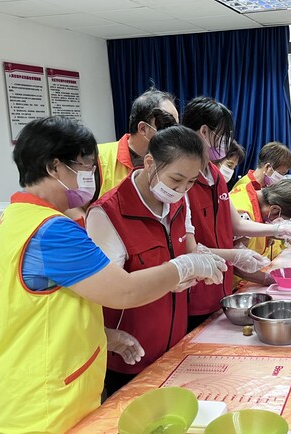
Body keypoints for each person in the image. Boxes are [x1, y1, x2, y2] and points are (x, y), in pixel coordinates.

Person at [0, 117, 226, 432]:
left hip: (13, 392)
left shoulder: (14, 220)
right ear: (54, 167)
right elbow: (124, 291)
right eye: (84, 168)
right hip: (44, 406)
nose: (92, 177)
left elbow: (30, 309)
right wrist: (185, 265)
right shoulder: (52, 232)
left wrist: (102, 337)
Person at [87, 125, 230, 395]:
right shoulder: (108, 214)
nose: (182, 189)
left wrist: (200, 266)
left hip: (175, 346)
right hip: (129, 353)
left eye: (190, 182)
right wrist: (173, 273)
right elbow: (108, 292)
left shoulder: (179, 202)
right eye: (176, 179)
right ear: (150, 162)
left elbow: (189, 252)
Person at [182, 96, 291, 329]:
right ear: (204, 132)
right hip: (195, 287)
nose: (228, 142)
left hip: (223, 287)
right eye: (224, 135)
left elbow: (236, 225)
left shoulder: (214, 175)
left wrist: (281, 229)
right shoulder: (184, 180)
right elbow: (190, 249)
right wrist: (236, 255)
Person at [96, 88, 179, 198]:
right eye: (167, 127)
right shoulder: (100, 157)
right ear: (143, 128)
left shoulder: (171, 160)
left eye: (176, 127)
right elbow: (73, 205)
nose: (173, 135)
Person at [230, 179, 291, 286]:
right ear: (275, 210)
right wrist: (274, 280)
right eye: (284, 222)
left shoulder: (251, 193)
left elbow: (259, 228)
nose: (280, 226)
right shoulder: (244, 212)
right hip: (233, 284)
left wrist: (289, 238)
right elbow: (237, 265)